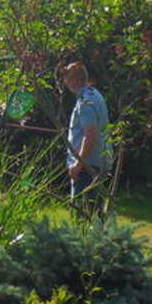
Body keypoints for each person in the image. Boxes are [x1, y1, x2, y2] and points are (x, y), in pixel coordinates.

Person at [60, 61, 110, 203]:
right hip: (98, 162)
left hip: (87, 167)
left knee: (82, 210)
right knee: (95, 211)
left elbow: (90, 135)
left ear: (76, 80)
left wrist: (78, 164)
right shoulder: (95, 95)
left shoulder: (85, 102)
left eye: (67, 78)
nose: (65, 82)